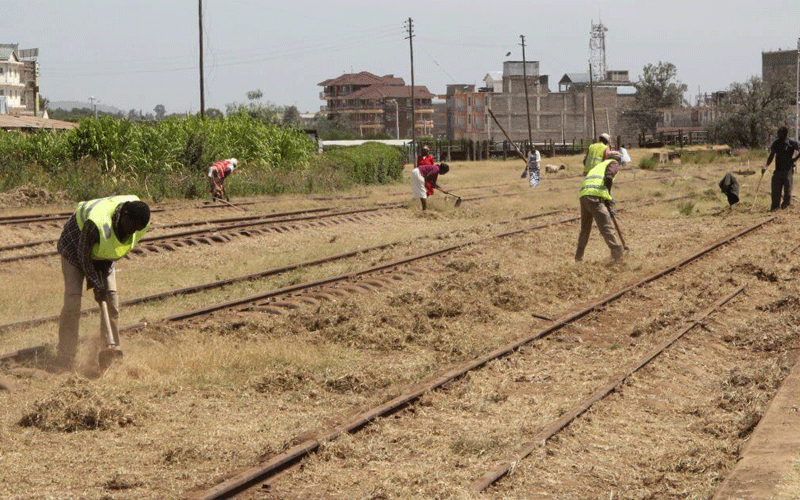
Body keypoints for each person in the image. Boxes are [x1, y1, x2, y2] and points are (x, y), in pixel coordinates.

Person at [55, 195, 151, 370]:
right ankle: (66, 354)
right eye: (132, 227)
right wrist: (95, 283)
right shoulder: (96, 222)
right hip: (75, 249)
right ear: (124, 216)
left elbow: (116, 249)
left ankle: (110, 348)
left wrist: (103, 283)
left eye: (137, 229)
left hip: (102, 254)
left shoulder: (137, 224)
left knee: (111, 301)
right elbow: (84, 256)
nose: (133, 232)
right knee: (73, 301)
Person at [575, 153, 625, 262]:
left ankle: (578, 257)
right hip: (595, 196)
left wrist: (606, 198)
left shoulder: (599, 165)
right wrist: (608, 196)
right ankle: (619, 256)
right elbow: (609, 176)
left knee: (585, 228)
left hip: (584, 195)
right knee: (606, 226)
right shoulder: (613, 163)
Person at [763, 126, 800, 211]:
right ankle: (775, 207)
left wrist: (795, 159)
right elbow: (771, 155)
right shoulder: (776, 143)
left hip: (788, 170)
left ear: (785, 134)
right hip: (778, 170)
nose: (779, 134)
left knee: (787, 190)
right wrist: (766, 166)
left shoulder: (791, 142)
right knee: (775, 189)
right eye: (778, 133)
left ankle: (785, 207)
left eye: (781, 133)